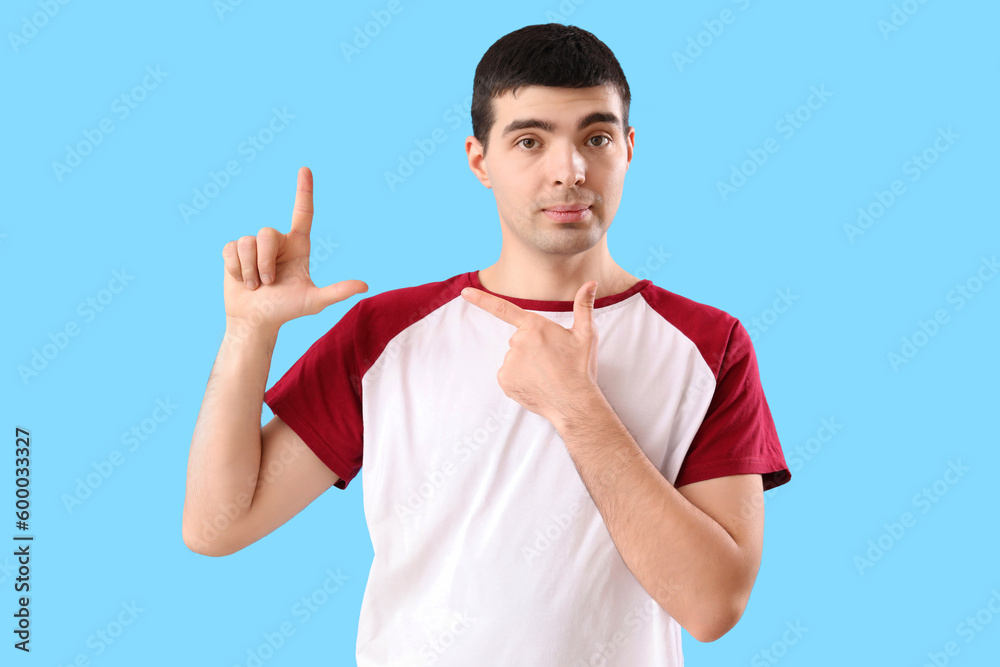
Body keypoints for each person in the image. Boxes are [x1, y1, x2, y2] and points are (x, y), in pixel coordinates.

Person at [182, 23, 790, 665]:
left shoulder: (709, 343)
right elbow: (217, 526)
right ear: (480, 160)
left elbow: (713, 605)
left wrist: (577, 407)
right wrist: (249, 332)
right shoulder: (386, 334)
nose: (570, 170)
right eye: (530, 140)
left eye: (597, 137)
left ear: (629, 148)